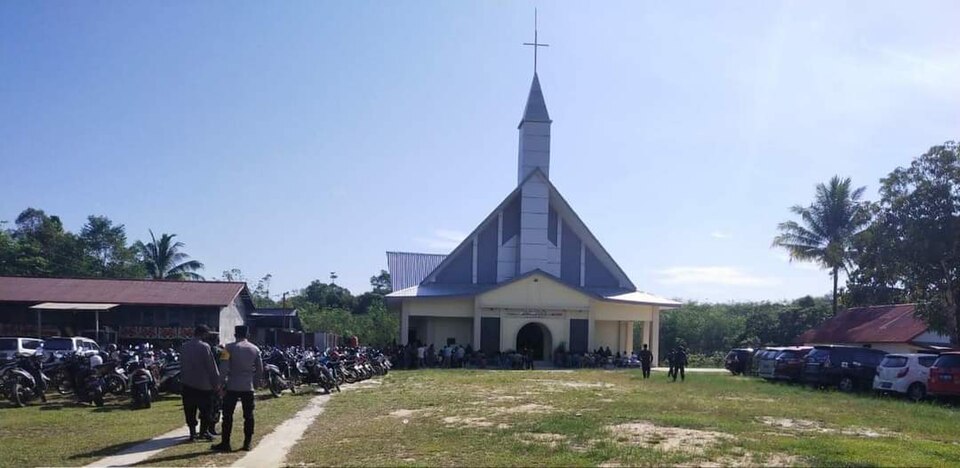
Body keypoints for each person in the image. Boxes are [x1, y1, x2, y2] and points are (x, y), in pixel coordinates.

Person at [211, 325, 264, 452]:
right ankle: (247, 443)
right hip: (248, 386)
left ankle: (226, 443)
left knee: (228, 416)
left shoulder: (228, 348)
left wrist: (220, 385)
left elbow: (223, 369)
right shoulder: (255, 349)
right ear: (248, 335)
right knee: (249, 416)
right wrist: (255, 383)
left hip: (232, 386)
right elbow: (260, 369)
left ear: (235, 335)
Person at [180, 325, 221, 442]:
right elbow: (211, 366)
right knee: (206, 410)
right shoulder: (205, 346)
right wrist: (216, 382)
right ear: (204, 334)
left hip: (187, 383)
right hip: (203, 385)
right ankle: (203, 432)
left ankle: (192, 434)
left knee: (190, 410)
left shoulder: (184, 346)